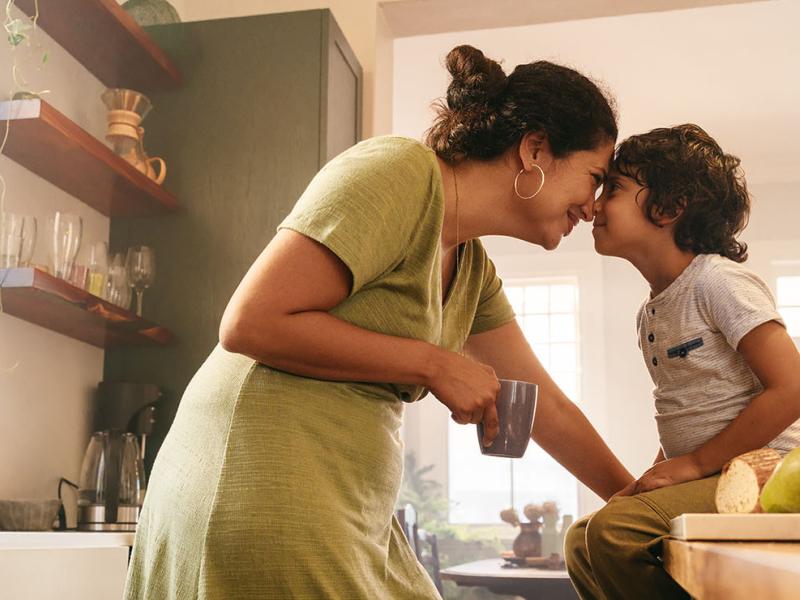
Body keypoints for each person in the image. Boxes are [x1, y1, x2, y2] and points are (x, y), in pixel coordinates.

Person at [124, 45, 633, 600]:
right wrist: (435, 364)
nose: (593, 207)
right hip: (260, 478)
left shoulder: (472, 268)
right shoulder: (400, 173)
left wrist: (637, 501)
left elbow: (546, 405)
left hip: (348, 501)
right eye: (595, 176)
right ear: (535, 148)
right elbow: (250, 322)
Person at [566, 124, 800, 600]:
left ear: (670, 208)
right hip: (711, 471)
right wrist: (658, 474)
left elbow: (793, 386)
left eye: (613, 189)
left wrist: (694, 463)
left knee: (614, 532)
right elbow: (685, 412)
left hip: (764, 475)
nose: (593, 205)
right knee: (580, 540)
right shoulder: (651, 312)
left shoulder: (717, 282)